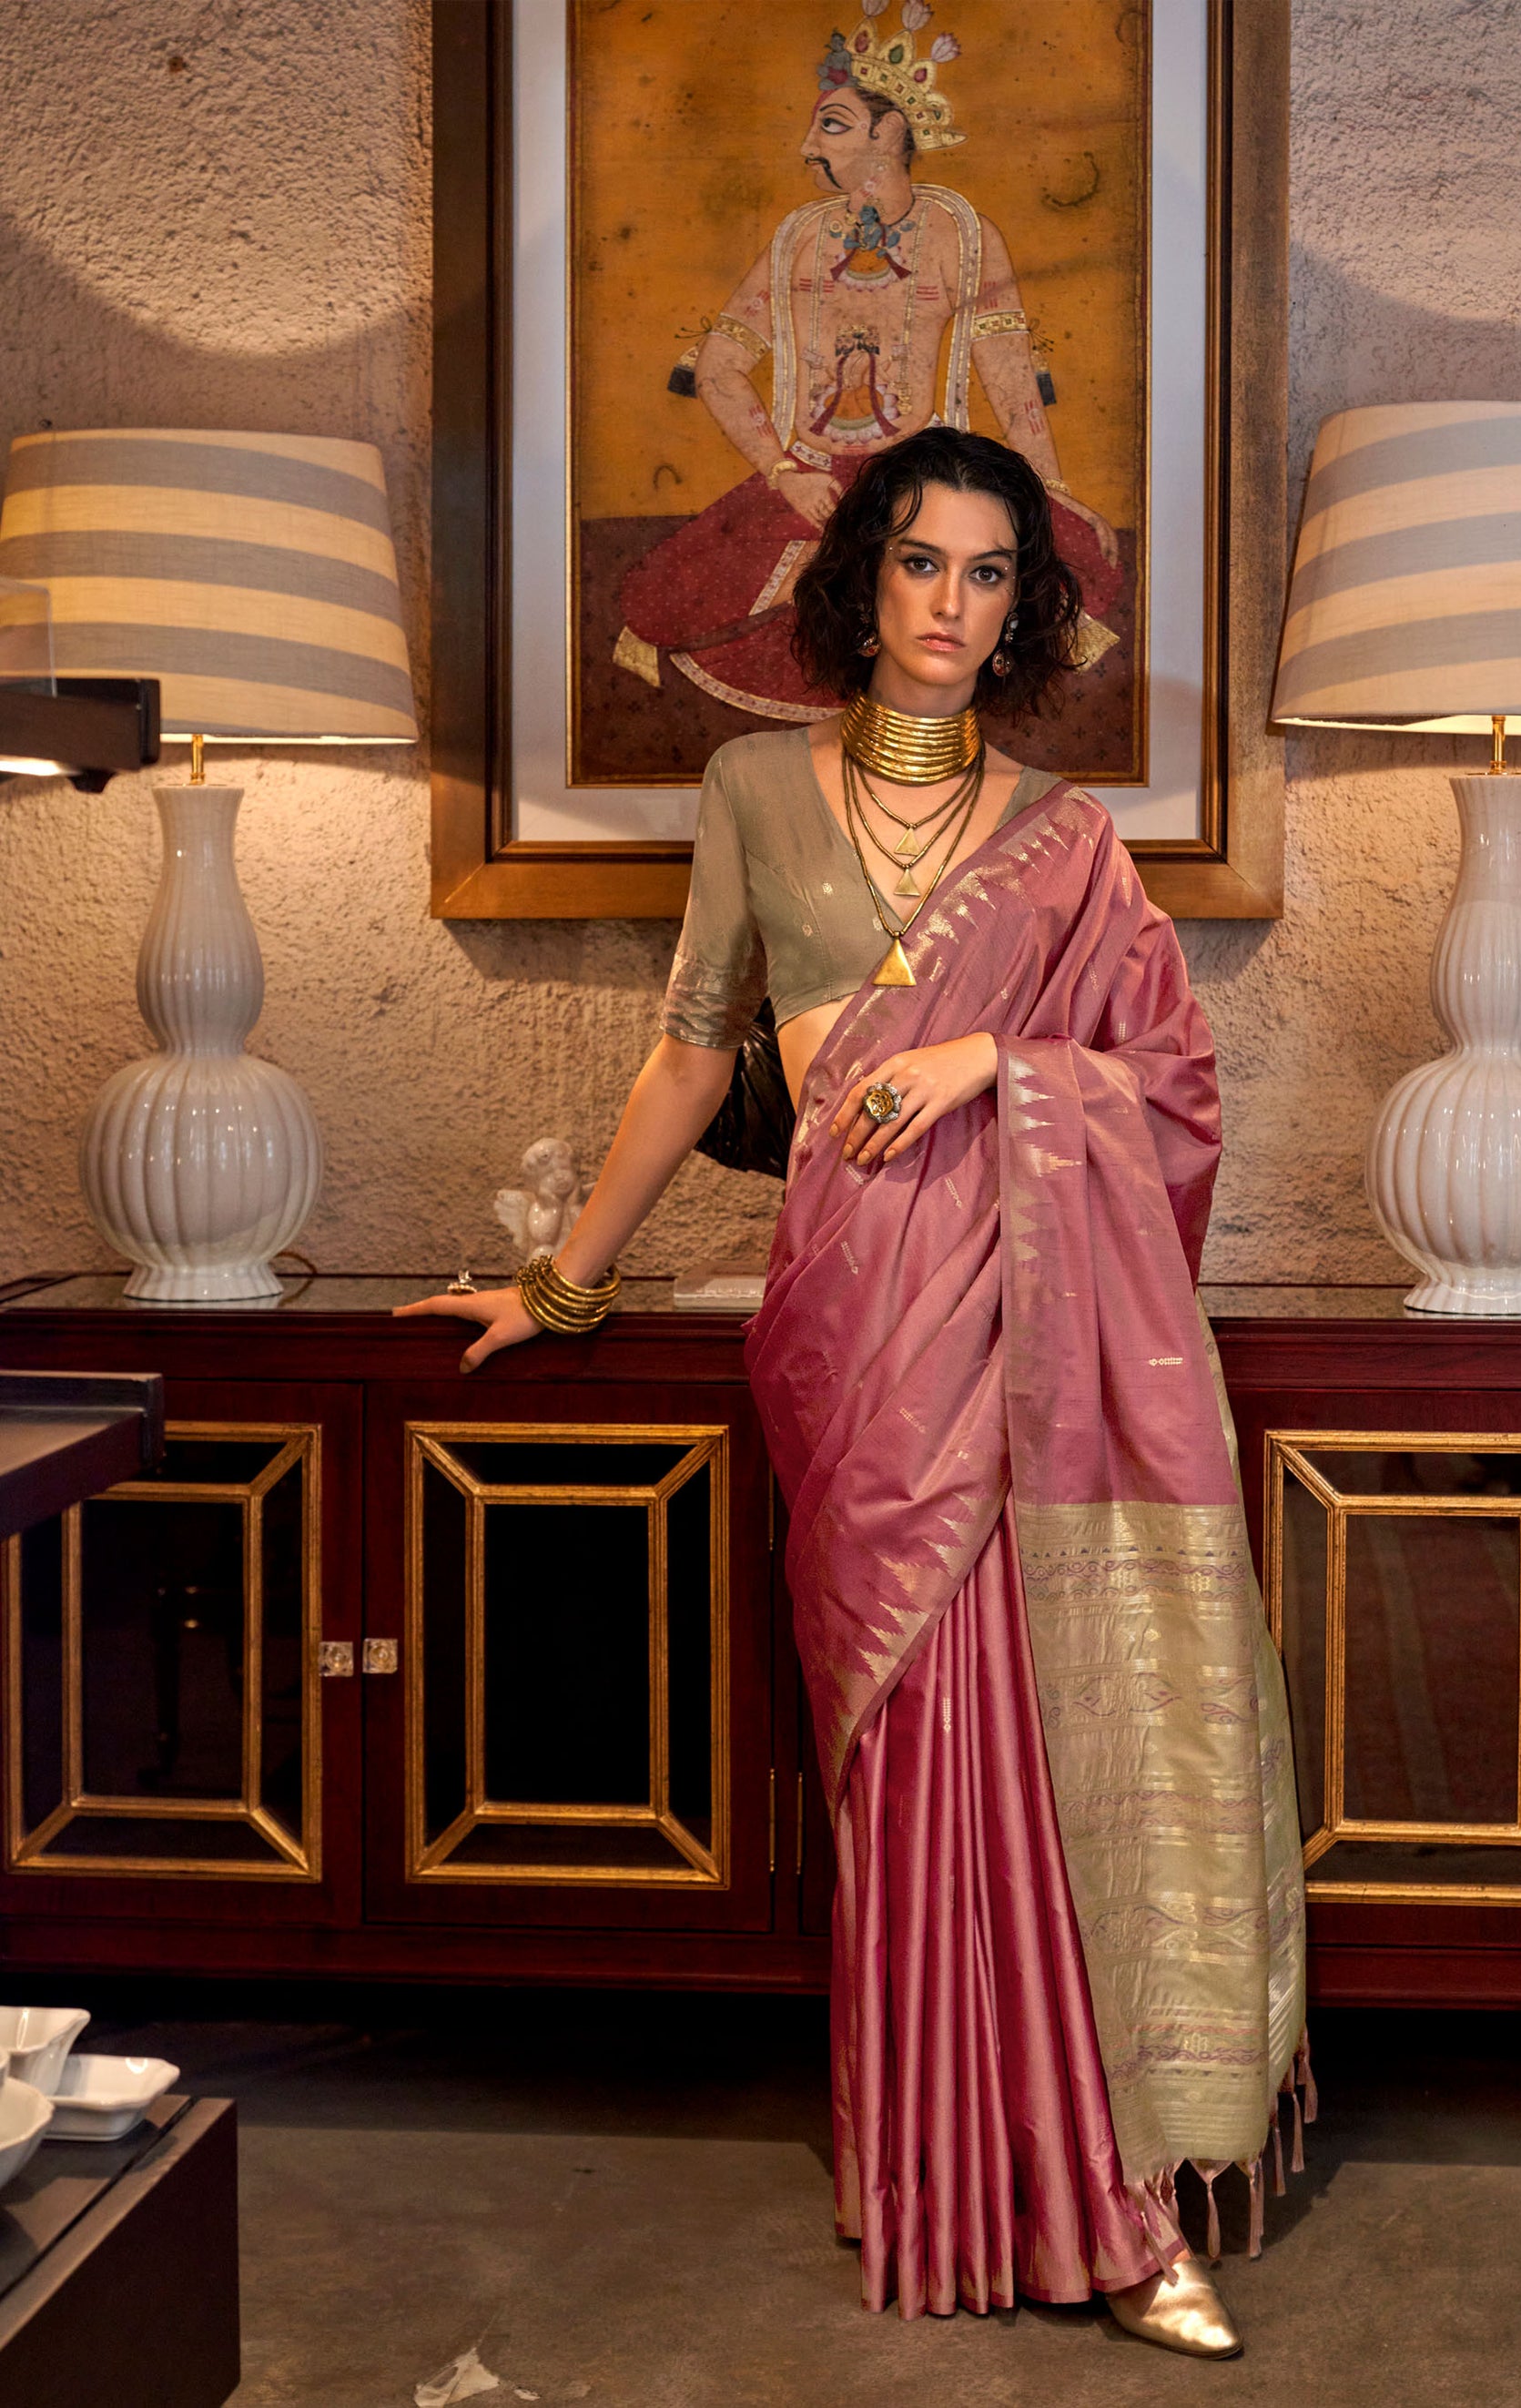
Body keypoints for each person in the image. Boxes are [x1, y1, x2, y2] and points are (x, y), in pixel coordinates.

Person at [401, 425, 1309, 2359]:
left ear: (1021, 607)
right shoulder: (751, 784)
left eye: (989, 573)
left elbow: (1171, 1086)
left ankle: (1108, 2199)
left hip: (1023, 1325)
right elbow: (686, 1054)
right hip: (857, 1320)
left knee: (1037, 1746)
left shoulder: (1066, 838)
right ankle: (927, 2163)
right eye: (918, 561)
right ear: (860, 579)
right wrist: (564, 1280)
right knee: (904, 1757)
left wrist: (992, 1061)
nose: (948, 604)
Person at [612, 0, 1124, 720]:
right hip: (812, 479)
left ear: (889, 132)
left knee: (1072, 563)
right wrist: (784, 473)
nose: (806, 147)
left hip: (926, 481)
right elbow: (718, 367)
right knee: (660, 596)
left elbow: (1009, 376)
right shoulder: (798, 237)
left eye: (831, 125)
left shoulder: (961, 233)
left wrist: (1052, 487)